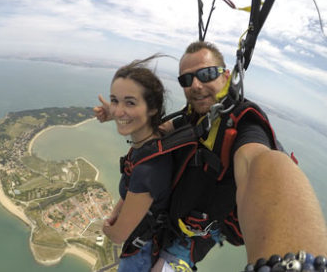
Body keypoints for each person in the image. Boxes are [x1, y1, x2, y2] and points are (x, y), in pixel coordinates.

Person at [95, 41, 327, 272]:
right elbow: (157, 132)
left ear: (226, 76)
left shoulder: (244, 123)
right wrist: (119, 115)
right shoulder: (195, 114)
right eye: (186, 79)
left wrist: (299, 263)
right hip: (168, 221)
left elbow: (260, 163)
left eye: (206, 74)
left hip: (191, 239)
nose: (195, 85)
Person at [98, 55, 173, 272]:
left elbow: (119, 235)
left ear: (152, 109)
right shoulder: (155, 140)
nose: (119, 110)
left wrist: (107, 228)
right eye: (115, 100)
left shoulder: (148, 169)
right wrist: (113, 114)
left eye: (129, 102)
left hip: (140, 257)